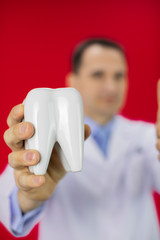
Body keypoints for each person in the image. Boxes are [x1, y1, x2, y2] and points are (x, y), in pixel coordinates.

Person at [1, 38, 160, 240]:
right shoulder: (40, 133)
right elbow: (8, 203)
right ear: (73, 82)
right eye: (98, 75)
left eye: (119, 76)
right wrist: (29, 195)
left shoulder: (148, 136)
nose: (111, 87)